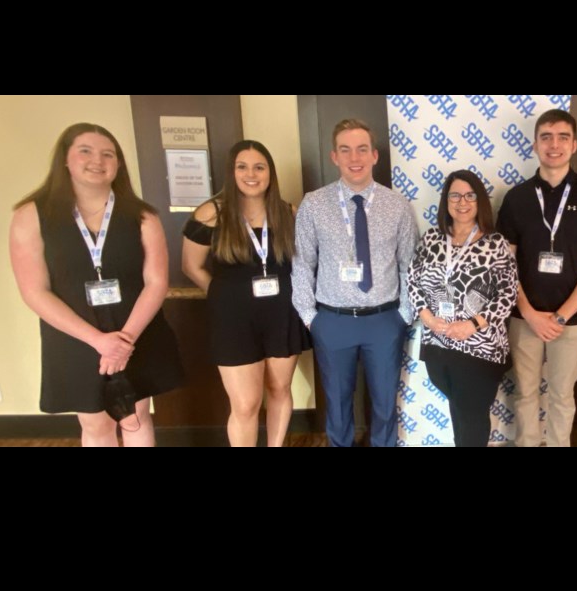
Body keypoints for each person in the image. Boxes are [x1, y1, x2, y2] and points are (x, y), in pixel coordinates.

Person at [9, 123, 183, 447]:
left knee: (136, 416)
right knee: (95, 424)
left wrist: (125, 340)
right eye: (85, 151)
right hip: (75, 336)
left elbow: (156, 282)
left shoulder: (143, 215)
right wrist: (101, 342)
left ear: (118, 164)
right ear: (65, 159)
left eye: (108, 154)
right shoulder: (32, 215)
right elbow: (34, 290)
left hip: (136, 330)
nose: (97, 160)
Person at [291, 119, 418, 447]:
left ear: (375, 155)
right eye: (345, 150)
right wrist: (310, 317)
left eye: (362, 148)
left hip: (384, 320)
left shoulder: (398, 205)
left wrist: (403, 314)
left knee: (385, 404)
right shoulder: (313, 204)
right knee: (337, 405)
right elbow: (302, 263)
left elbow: (410, 265)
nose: (354, 157)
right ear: (334, 157)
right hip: (332, 320)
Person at [182, 140, 310, 447]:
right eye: (242, 167)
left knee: (279, 390)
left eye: (259, 167)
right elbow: (191, 266)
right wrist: (225, 295)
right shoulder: (211, 213)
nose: (251, 174)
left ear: (270, 173)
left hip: (282, 315)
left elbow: (304, 263)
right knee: (245, 404)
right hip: (233, 321)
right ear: (231, 171)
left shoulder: (287, 212)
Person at [496, 109, 577, 447]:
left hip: (572, 320)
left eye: (563, 137)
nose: (554, 144)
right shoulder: (516, 198)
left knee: (562, 397)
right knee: (525, 395)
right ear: (535, 144)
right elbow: (506, 265)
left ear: (574, 145)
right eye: (546, 136)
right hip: (524, 318)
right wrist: (530, 313)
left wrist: (560, 316)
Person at [409, 170, 518, 447]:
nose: (462, 202)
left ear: (479, 200)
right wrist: (427, 317)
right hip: (438, 343)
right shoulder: (432, 239)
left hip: (479, 347)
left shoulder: (496, 244)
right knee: (460, 411)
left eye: (470, 195)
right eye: (455, 195)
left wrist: (473, 324)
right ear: (446, 201)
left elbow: (507, 293)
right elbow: (412, 280)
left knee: (471, 416)